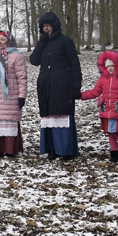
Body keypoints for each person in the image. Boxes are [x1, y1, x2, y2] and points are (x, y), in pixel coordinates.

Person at [29, 12, 82, 160]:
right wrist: (41, 43)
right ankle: (51, 148)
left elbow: (74, 64)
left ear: (54, 26)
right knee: (49, 116)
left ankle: (65, 149)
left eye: (48, 26)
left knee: (62, 114)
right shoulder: (43, 43)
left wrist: (76, 85)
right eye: (44, 26)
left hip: (62, 83)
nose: (46, 29)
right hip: (46, 84)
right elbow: (34, 60)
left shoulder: (66, 42)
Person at [80, 51, 118, 162]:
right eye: (108, 66)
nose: (110, 68)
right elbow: (95, 92)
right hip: (106, 110)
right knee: (110, 133)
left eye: (112, 66)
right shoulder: (102, 79)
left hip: (117, 110)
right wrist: (80, 96)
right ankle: (114, 152)